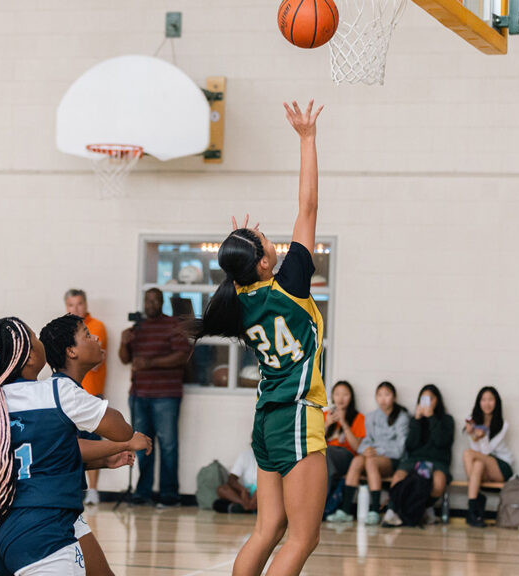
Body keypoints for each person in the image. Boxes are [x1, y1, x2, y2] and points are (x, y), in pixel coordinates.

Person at [188, 100, 326, 576]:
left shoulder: (236, 300)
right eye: (265, 240)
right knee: (302, 538)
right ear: (265, 264)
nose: (272, 238)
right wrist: (307, 139)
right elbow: (308, 206)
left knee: (267, 530)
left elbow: (242, 270)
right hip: (296, 416)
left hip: (267, 420)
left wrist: (241, 254)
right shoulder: (290, 282)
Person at [0, 317, 135, 576]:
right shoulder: (56, 392)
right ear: (30, 356)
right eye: (34, 337)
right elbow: (122, 430)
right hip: (44, 535)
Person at [40, 313, 153, 576]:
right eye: (86, 335)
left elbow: (59, 451)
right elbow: (121, 430)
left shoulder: (51, 389)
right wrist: (125, 443)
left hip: (60, 508)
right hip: (49, 512)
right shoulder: (66, 391)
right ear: (71, 351)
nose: (97, 337)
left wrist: (102, 459)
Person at [118, 287, 190, 507]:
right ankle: (143, 492)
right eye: (147, 301)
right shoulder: (137, 328)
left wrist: (150, 363)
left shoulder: (173, 325)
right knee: (142, 444)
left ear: (161, 303)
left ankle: (169, 495)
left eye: (155, 301)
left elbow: (182, 356)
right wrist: (123, 341)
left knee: (168, 445)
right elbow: (124, 359)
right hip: (140, 394)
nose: (150, 305)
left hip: (166, 395)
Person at [326, 381, 409, 524]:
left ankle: (375, 511)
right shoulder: (371, 417)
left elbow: (400, 449)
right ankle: (346, 511)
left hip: (391, 458)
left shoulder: (402, 417)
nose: (383, 399)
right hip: (372, 457)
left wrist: (377, 451)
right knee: (358, 460)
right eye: (379, 395)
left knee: (370, 460)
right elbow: (364, 442)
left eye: (387, 395)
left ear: (394, 397)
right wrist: (366, 449)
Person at [381, 384, 454, 527]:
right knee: (397, 478)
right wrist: (417, 420)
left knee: (439, 483)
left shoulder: (447, 420)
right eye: (424, 399)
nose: (427, 402)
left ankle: (423, 508)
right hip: (415, 459)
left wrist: (432, 417)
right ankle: (391, 511)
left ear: (437, 400)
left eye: (431, 399)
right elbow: (410, 445)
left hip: (437, 460)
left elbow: (441, 442)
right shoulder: (414, 419)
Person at [65, 288, 109, 507]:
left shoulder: (97, 326)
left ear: (86, 304)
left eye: (79, 304)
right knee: (70, 443)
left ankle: (93, 490)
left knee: (93, 443)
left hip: (91, 395)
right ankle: (73, 488)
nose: (76, 309)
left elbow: (95, 361)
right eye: (71, 305)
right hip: (69, 395)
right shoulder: (63, 328)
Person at [462, 386, 513, 528]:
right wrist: (472, 435)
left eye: (491, 399)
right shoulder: (473, 422)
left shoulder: (503, 425)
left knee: (468, 454)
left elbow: (487, 451)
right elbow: (476, 453)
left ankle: (475, 502)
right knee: (477, 464)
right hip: (483, 464)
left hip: (501, 466)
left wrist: (480, 437)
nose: (487, 403)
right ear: (479, 402)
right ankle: (474, 510)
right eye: (483, 400)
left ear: (496, 402)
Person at [323, 381, 365, 496]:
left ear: (351, 397)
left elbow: (357, 448)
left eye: (345, 394)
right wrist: (326, 424)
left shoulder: (359, 418)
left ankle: (323, 502)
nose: (341, 398)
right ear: (332, 396)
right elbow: (314, 441)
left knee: (325, 455)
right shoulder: (326, 415)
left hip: (346, 456)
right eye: (337, 394)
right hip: (326, 456)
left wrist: (344, 423)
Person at [214, 447, 259, 513]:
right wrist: (242, 490)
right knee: (221, 489)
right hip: (246, 493)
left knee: (262, 492)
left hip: (262, 492)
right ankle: (246, 506)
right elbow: (231, 479)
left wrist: (259, 490)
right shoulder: (245, 455)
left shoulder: (272, 455)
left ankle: (243, 508)